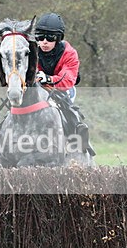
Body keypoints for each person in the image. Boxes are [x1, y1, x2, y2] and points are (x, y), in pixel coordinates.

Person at [32, 12, 94, 155]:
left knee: (67, 109)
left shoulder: (69, 53)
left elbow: (66, 80)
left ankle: (77, 136)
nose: (45, 42)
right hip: (38, 87)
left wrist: (48, 79)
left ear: (58, 38)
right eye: (40, 37)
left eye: (50, 38)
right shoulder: (32, 50)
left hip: (63, 88)